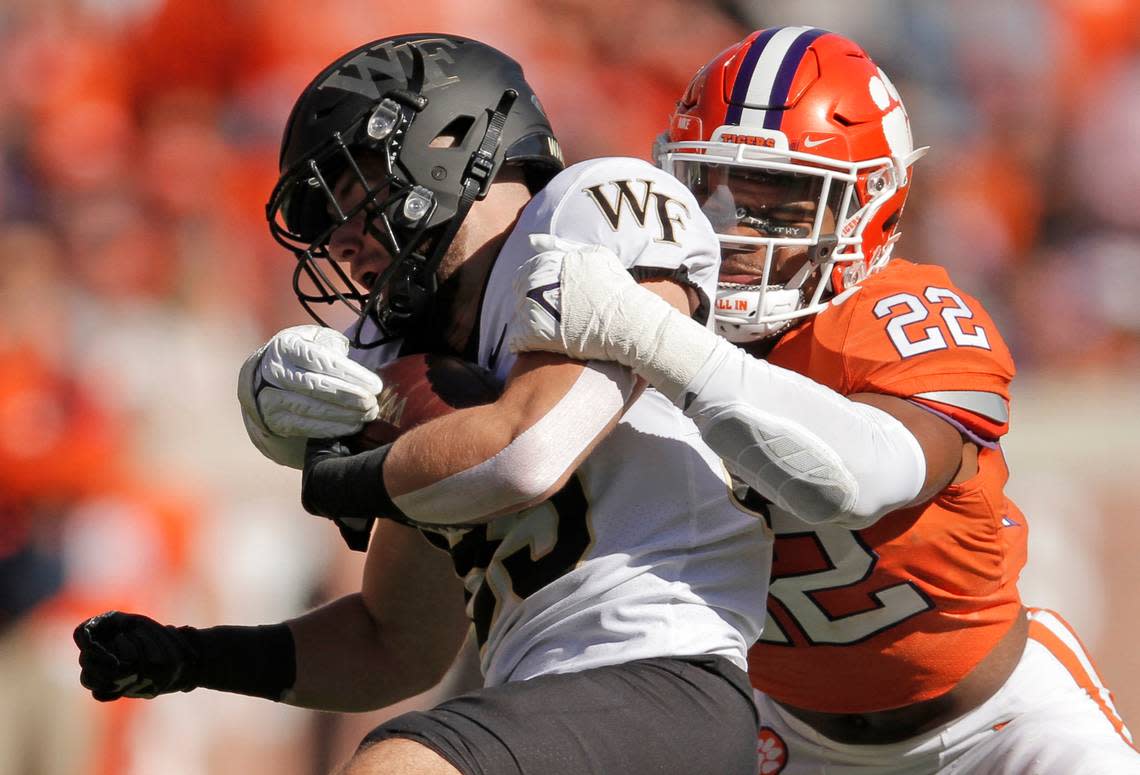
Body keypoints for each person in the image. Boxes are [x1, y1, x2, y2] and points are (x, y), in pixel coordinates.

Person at [73, 33, 773, 775]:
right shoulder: (428, 348)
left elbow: (530, 450)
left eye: (353, 199)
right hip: (552, 707)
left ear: (450, 139)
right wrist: (190, 654)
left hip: (667, 685)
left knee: (399, 764)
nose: (341, 243)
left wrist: (351, 474)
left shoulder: (587, 214)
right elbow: (392, 642)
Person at [510, 26, 1140, 775]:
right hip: (780, 733)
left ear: (869, 206)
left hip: (999, 727)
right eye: (707, 186)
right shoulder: (655, 321)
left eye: (774, 199)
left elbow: (857, 476)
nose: (731, 226)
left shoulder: (905, 315)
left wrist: (649, 337)